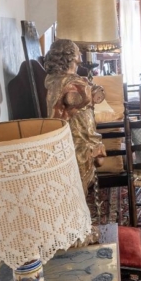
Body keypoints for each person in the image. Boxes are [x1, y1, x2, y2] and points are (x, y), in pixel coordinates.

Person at [43, 39, 106, 195]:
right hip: (77, 137)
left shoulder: (72, 79)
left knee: (85, 177)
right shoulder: (62, 81)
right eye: (77, 50)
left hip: (85, 134)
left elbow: (92, 92)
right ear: (70, 55)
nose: (80, 53)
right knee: (78, 181)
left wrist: (93, 91)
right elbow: (57, 113)